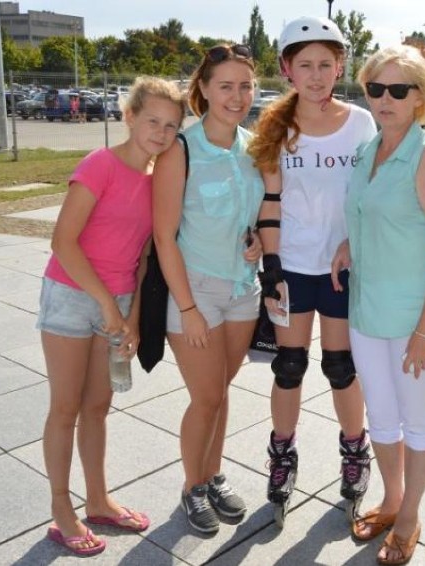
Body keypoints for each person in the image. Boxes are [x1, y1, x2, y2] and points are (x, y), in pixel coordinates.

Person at [331, 44, 425, 566]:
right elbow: (370, 210)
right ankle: (391, 499)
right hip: (370, 307)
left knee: (417, 419)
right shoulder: (371, 150)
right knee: (381, 417)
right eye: (375, 88)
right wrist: (351, 243)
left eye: (398, 90)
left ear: (420, 98)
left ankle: (410, 514)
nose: (384, 99)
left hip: (419, 313)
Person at [36, 76, 186, 556]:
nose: (161, 134)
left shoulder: (156, 179)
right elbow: (63, 242)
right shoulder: (99, 165)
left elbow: (143, 259)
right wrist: (106, 304)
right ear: (130, 117)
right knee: (66, 407)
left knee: (99, 407)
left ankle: (98, 499)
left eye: (171, 126)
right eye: (152, 122)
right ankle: (62, 508)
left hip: (119, 303)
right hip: (71, 295)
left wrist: (134, 318)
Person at [248, 15, 377, 528]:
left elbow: (371, 195)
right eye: (306, 65)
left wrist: (354, 238)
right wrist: (272, 266)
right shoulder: (276, 126)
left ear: (340, 65)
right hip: (294, 267)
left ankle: (354, 451)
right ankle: (282, 455)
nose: (317, 75)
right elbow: (271, 199)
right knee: (289, 366)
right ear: (287, 69)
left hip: (342, 269)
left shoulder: (362, 123)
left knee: (341, 367)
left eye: (326, 64)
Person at [152, 43, 264, 535]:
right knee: (205, 397)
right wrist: (188, 307)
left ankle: (212, 474)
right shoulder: (181, 149)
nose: (237, 96)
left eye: (245, 86)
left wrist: (256, 238)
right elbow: (163, 235)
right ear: (203, 89)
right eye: (226, 86)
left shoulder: (254, 146)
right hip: (195, 290)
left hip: (244, 290)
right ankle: (191, 488)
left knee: (221, 391)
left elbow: (255, 213)